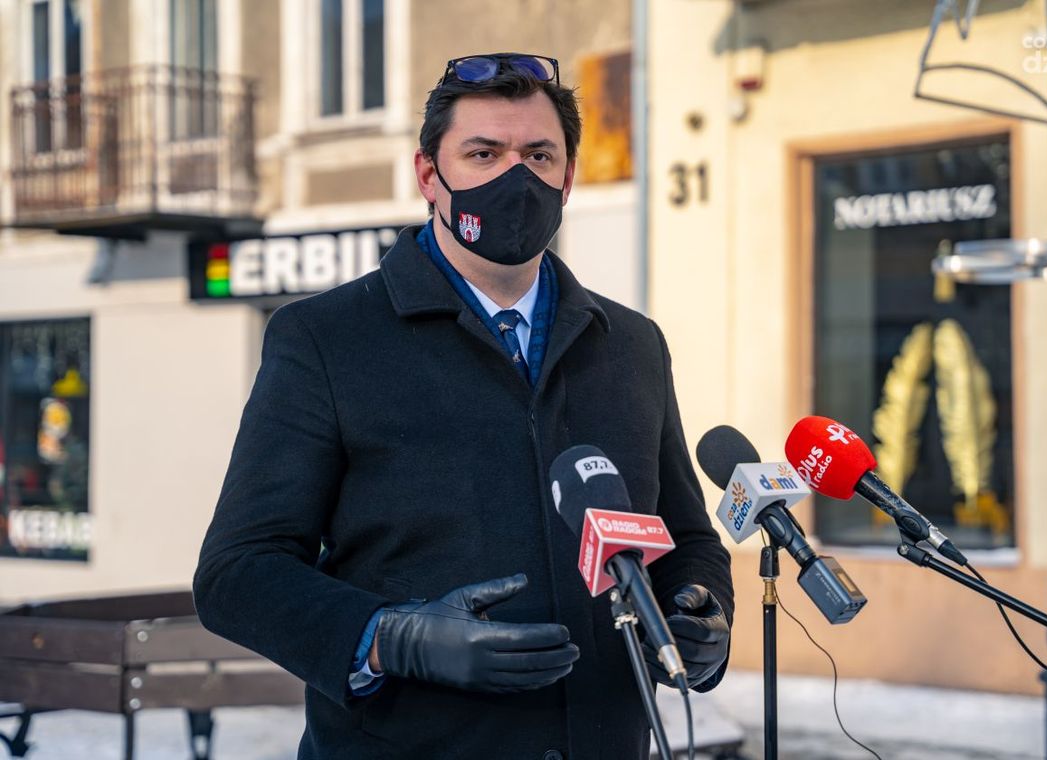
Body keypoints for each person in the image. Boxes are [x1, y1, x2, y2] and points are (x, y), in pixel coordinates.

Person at [193, 52, 734, 760]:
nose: (516, 175)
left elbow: (686, 537)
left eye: (539, 154)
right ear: (428, 174)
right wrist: (391, 638)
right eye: (483, 152)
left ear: (568, 177)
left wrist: (701, 610)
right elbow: (238, 573)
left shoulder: (631, 344)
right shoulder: (325, 339)